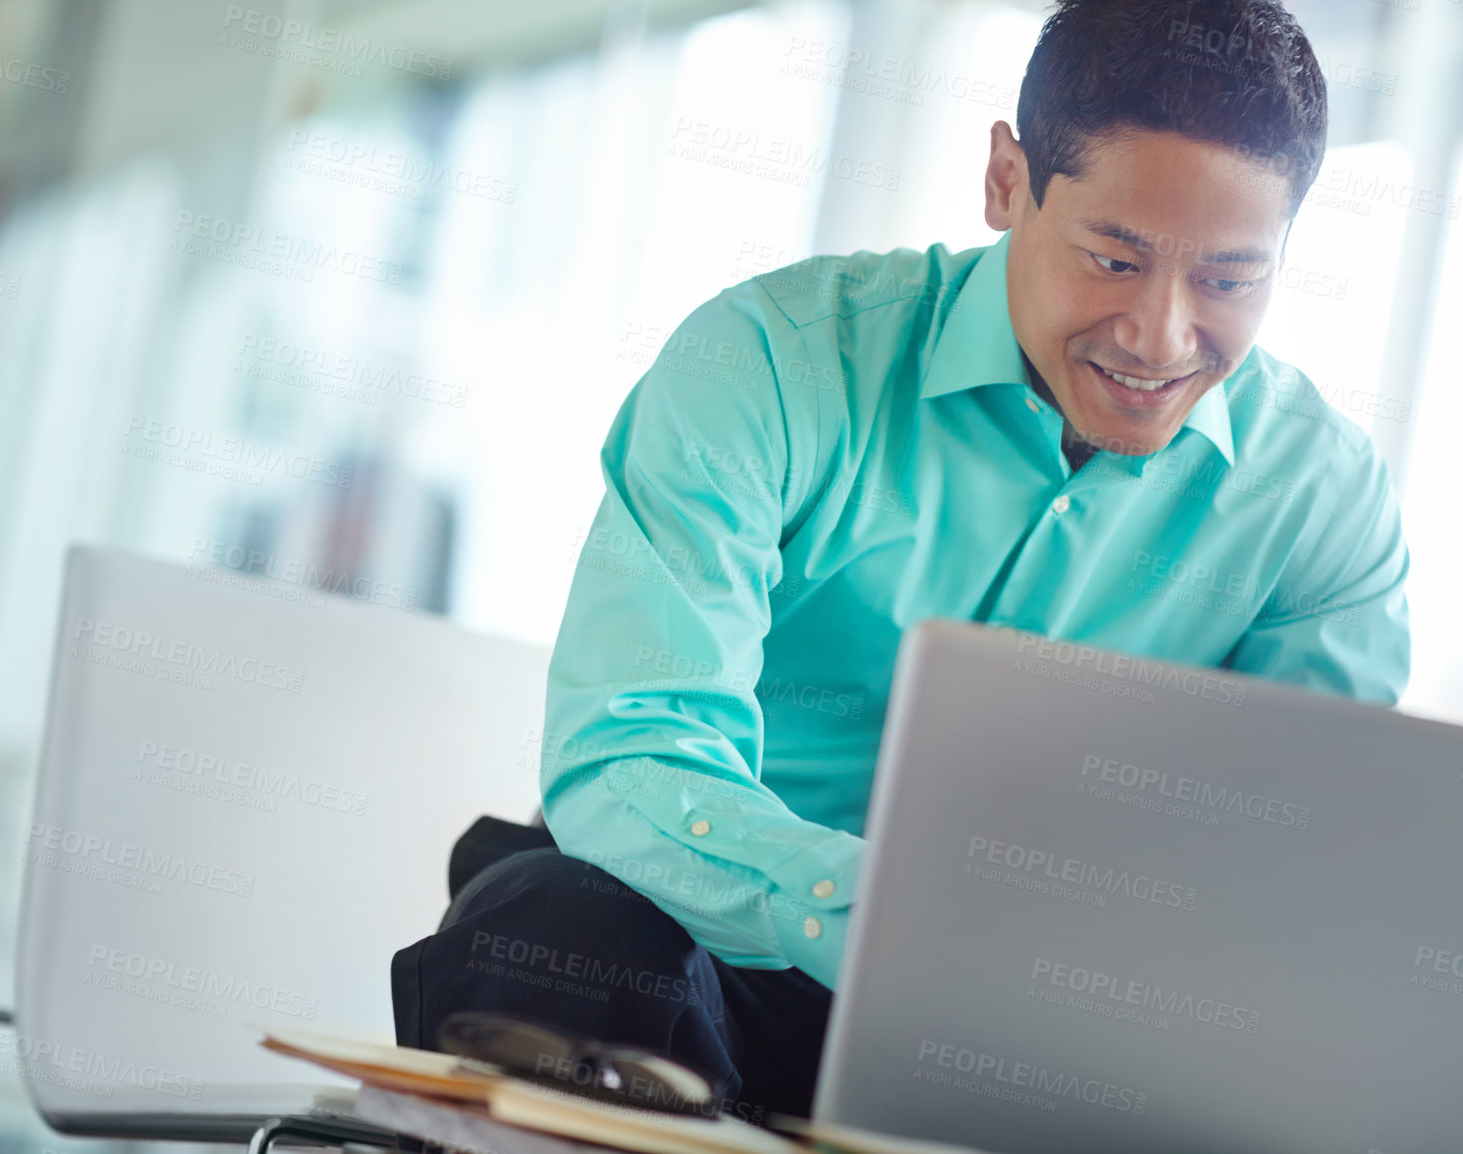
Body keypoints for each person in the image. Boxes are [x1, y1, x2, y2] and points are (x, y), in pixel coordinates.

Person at [392, 0, 1409, 1122]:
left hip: (1046, 1025)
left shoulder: (1321, 500)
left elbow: (1296, 869)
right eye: (1113, 258)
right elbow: (629, 748)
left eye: (1227, 280)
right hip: (713, 952)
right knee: (554, 932)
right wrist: (889, 913)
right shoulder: (768, 366)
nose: (1160, 336)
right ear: (1005, 182)